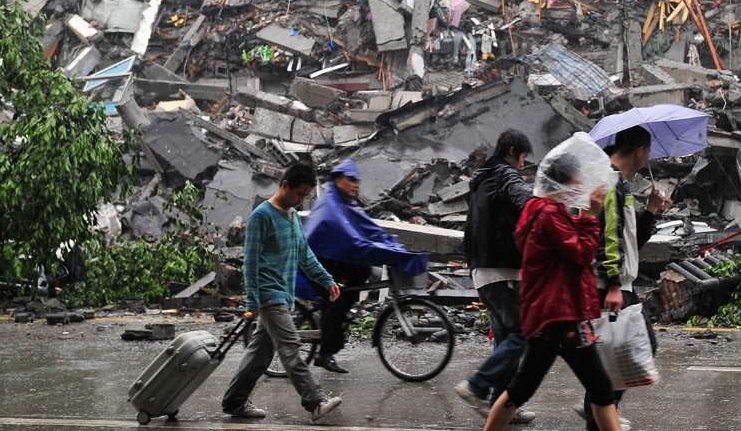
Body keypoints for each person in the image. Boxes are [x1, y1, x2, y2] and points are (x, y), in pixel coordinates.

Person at [483, 151, 621, 431]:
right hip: (560, 317)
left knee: (520, 390)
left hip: (550, 315)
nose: (583, 185)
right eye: (579, 179)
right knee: (601, 389)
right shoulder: (549, 215)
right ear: (567, 182)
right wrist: (590, 217)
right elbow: (580, 254)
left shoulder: (544, 211)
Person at [221, 162, 344, 424]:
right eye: (299, 194)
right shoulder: (261, 217)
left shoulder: (292, 216)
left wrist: (327, 280)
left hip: (284, 295)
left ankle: (234, 401)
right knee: (290, 347)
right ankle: (315, 401)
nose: (301, 200)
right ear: (285, 185)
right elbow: (251, 263)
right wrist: (253, 302)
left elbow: (305, 256)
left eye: (306, 196)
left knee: (260, 355)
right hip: (269, 295)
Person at [299, 160, 428, 375]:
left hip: (332, 259)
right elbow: (354, 239)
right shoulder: (332, 204)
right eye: (350, 179)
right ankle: (324, 354)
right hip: (315, 263)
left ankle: (339, 320)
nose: (356, 184)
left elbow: (367, 227)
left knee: (362, 271)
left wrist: (390, 242)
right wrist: (385, 251)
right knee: (336, 298)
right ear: (337, 179)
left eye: (357, 180)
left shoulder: (347, 201)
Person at [578, 125, 665, 431]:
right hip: (609, 286)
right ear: (639, 150)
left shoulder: (620, 184)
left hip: (616, 283)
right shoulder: (611, 180)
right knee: (632, 347)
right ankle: (599, 409)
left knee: (618, 352)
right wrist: (614, 284)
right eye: (649, 150)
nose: (649, 156)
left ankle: (600, 408)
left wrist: (651, 212)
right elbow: (607, 239)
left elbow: (628, 241)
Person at [455, 130, 536, 424]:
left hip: (482, 270)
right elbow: (525, 200)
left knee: (505, 339)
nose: (521, 166)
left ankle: (503, 403)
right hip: (502, 269)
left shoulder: (482, 181)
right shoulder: (504, 175)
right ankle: (476, 385)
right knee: (523, 333)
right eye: (522, 159)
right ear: (513, 150)